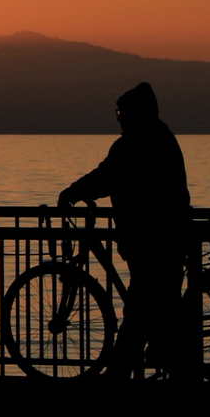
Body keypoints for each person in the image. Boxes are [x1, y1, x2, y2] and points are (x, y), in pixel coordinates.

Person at [58, 81, 192, 379]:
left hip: (151, 235)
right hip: (168, 232)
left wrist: (72, 193)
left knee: (140, 306)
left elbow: (107, 176)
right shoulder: (161, 136)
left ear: (135, 113)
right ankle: (170, 362)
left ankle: (119, 372)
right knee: (157, 305)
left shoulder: (134, 142)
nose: (118, 117)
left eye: (121, 112)